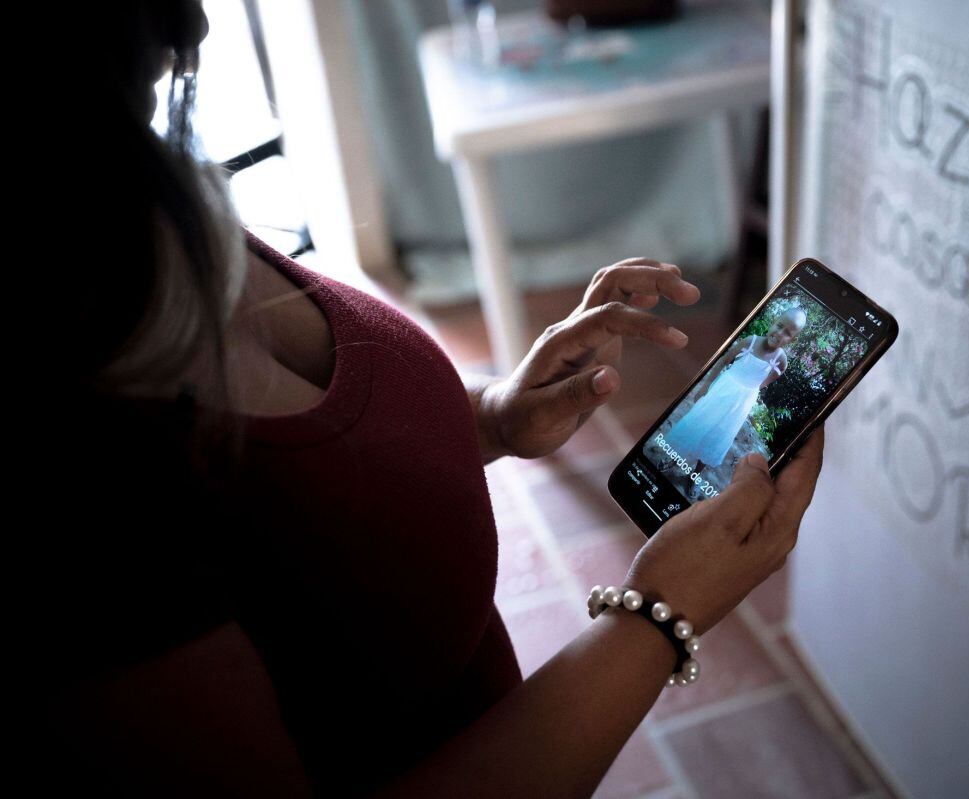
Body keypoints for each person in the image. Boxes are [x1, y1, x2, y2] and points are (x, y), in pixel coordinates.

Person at [33, 3, 824, 796]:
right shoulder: (71, 466)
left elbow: (302, 489)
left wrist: (495, 414)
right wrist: (657, 614)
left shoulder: (138, 203)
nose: (194, 26)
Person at [665, 307, 807, 497]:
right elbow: (725, 360)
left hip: (740, 403)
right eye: (779, 326)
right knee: (698, 422)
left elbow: (764, 382)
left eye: (787, 333)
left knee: (719, 436)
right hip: (723, 391)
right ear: (773, 322)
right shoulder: (750, 342)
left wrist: (745, 393)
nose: (779, 333)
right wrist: (706, 384)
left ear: (793, 339)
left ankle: (694, 475)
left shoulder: (780, 361)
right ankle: (674, 459)